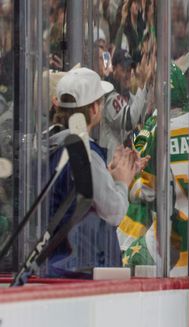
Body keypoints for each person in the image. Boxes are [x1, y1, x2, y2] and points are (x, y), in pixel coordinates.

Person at [47, 67, 140, 277]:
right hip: (83, 271)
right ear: (95, 109)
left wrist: (109, 175)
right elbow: (113, 211)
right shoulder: (83, 152)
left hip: (54, 268)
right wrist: (122, 182)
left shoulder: (51, 147)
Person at [99, 48, 150, 155]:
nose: (127, 75)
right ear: (113, 69)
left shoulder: (130, 97)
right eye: (123, 70)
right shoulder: (109, 96)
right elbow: (129, 121)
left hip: (124, 164)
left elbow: (143, 119)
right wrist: (141, 84)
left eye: (129, 70)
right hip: (110, 165)